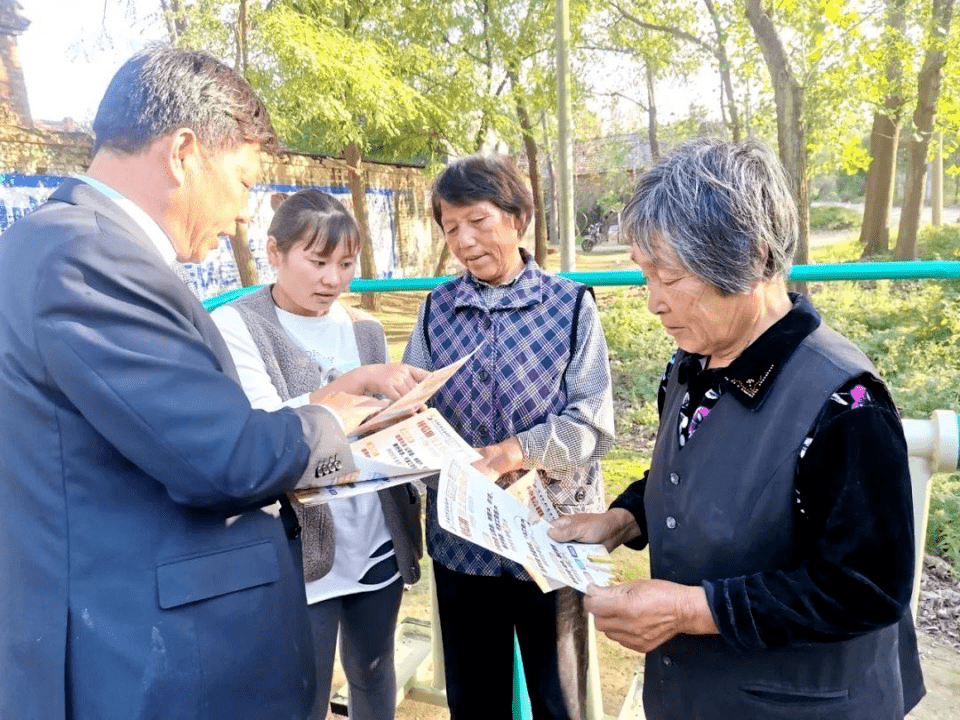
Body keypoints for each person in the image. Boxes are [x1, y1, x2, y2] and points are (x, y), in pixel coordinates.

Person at [0, 46, 379, 720]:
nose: (242, 212)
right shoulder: (88, 257)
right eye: (241, 181)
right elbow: (222, 458)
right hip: (144, 661)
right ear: (183, 152)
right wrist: (334, 421)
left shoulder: (57, 243)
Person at [550, 137, 925, 720]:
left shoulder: (845, 405)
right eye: (645, 276)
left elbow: (867, 587)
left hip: (799, 704)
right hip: (694, 695)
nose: (653, 302)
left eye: (669, 279)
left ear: (749, 258)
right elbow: (699, 465)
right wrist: (624, 517)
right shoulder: (694, 360)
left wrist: (691, 610)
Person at [402, 154, 615, 720]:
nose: (465, 241)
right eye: (451, 229)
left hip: (552, 535)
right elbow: (410, 413)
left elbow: (592, 422)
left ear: (517, 217)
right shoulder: (436, 310)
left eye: (478, 221)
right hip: (462, 542)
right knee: (475, 700)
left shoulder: (571, 307)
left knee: (560, 697)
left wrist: (513, 453)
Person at [210, 189, 426, 720]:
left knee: (374, 673)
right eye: (318, 261)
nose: (333, 279)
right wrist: (357, 382)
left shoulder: (364, 328)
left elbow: (376, 426)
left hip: (374, 533)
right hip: (297, 543)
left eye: (346, 264)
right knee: (301, 691)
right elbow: (262, 431)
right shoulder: (238, 325)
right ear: (275, 252)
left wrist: (410, 422)